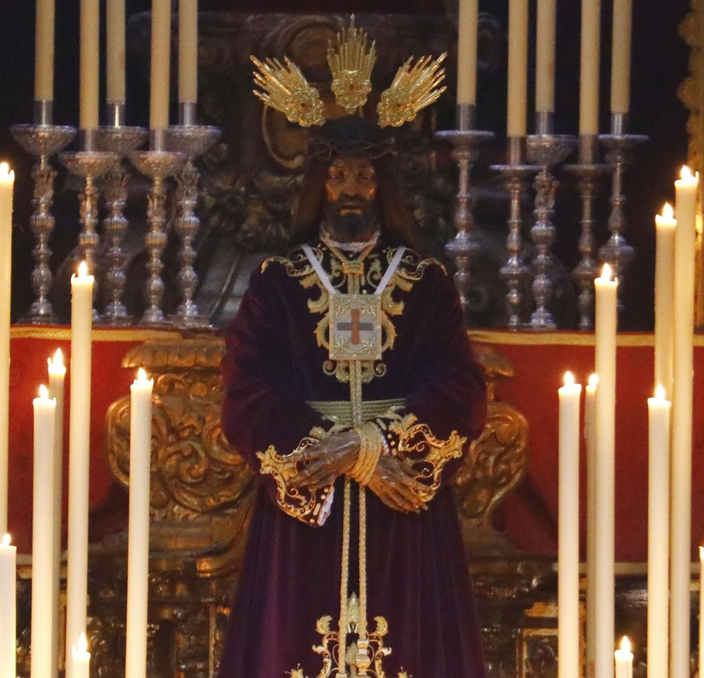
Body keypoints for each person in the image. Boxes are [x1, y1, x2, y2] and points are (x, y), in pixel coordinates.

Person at [218, 29, 487, 678]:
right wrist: (325, 451)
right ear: (319, 182)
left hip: (399, 496)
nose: (350, 189)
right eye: (337, 175)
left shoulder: (425, 283)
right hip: (308, 504)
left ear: (382, 185)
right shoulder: (278, 283)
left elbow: (460, 387)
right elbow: (247, 389)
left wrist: (372, 447)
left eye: (364, 176)